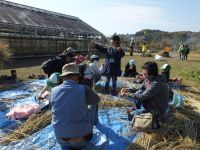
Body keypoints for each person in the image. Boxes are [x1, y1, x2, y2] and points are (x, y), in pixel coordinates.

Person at [50, 63, 100, 149]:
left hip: (60, 139)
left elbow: (51, 107)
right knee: (93, 104)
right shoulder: (84, 89)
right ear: (77, 77)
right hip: (82, 139)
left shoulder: (53, 90)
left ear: (62, 78)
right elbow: (97, 100)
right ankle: (95, 124)